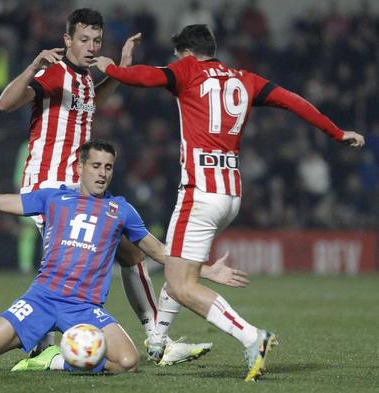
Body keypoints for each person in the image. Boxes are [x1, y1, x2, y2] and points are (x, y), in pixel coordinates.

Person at [93, 24, 365, 381]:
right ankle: (158, 340)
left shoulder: (187, 70)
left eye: (178, 56)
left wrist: (112, 68)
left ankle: (252, 337)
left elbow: (145, 77)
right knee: (178, 264)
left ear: (187, 53)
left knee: (180, 284)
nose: (176, 62)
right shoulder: (244, 79)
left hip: (200, 191)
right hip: (231, 194)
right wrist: (336, 132)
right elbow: (293, 100)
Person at [0, 8, 229, 365]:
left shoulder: (86, 79)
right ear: (67, 40)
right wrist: (32, 67)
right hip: (50, 186)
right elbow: (5, 103)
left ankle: (153, 338)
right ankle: (47, 348)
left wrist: (117, 72)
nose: (91, 47)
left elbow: (91, 103)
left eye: (97, 41)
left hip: (79, 190)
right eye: (84, 40)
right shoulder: (54, 73)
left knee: (131, 252)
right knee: (73, 266)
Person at [0, 139, 248, 373]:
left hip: (85, 309)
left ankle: (53, 359)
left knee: (127, 362)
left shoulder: (121, 210)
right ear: (80, 167)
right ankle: (24, 349)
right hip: (40, 298)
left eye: (108, 167)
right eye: (96, 165)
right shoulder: (53, 198)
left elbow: (159, 252)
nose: (102, 173)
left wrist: (204, 271)